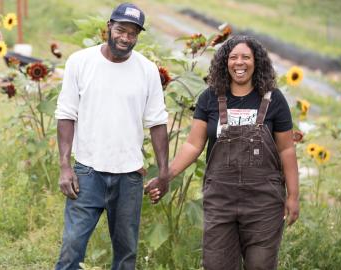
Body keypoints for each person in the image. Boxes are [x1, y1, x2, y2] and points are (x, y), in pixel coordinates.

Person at [145, 35, 299, 270]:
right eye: (233, 57)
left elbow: (286, 149)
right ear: (224, 62)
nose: (240, 63)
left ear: (256, 62)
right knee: (217, 265)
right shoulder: (210, 97)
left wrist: (293, 197)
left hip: (264, 202)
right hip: (221, 200)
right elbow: (192, 145)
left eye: (246, 57)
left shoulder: (273, 99)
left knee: (260, 266)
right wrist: (166, 175)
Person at [54, 3, 170, 270]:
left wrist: (164, 172)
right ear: (109, 27)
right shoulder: (81, 62)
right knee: (71, 249)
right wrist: (64, 166)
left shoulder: (147, 70)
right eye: (120, 30)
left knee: (126, 254)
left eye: (132, 33)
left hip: (129, 177)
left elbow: (157, 122)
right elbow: (66, 114)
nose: (125, 38)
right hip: (87, 173)